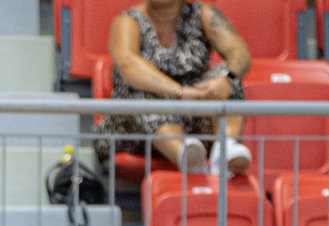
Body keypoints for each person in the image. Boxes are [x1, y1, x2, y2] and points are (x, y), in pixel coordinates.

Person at [99, 0, 253, 178]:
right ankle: (186, 157)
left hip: (194, 113)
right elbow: (128, 65)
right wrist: (178, 91)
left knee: (226, 77)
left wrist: (227, 79)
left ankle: (225, 148)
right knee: (141, 94)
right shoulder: (128, 21)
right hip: (136, 131)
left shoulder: (203, 14)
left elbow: (240, 53)